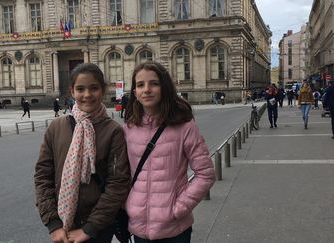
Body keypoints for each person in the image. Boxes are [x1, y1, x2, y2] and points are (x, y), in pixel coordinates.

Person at [34, 63, 131, 243]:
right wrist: (53, 223)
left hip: (99, 228)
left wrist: (90, 228)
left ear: (103, 90)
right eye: (80, 89)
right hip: (62, 225)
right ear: (72, 91)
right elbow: (42, 176)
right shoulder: (56, 128)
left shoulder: (113, 131)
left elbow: (118, 183)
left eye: (93, 88)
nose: (87, 95)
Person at [123, 61, 216, 243]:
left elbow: (206, 174)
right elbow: (122, 174)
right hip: (139, 227)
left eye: (154, 83)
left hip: (174, 229)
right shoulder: (129, 128)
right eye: (140, 85)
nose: (147, 89)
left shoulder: (184, 126)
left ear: (164, 88)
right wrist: (128, 204)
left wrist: (179, 208)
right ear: (135, 92)